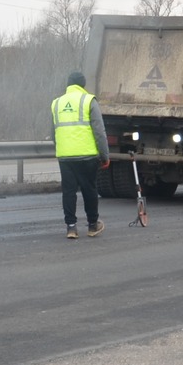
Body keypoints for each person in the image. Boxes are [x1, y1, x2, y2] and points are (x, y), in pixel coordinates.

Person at [52, 69, 111, 238]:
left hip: (65, 156)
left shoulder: (57, 103)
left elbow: (54, 131)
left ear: (68, 84)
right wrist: (104, 155)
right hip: (87, 155)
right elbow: (99, 131)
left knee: (68, 191)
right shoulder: (88, 100)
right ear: (83, 85)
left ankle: (71, 227)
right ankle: (93, 225)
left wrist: (62, 149)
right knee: (89, 189)